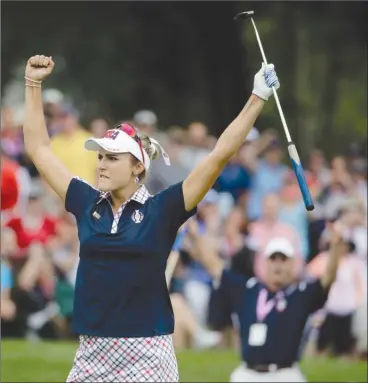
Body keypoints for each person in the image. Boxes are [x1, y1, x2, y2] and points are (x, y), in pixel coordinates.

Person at [22, 54, 279, 382]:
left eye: (112, 158)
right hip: (92, 351)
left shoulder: (163, 209)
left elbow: (219, 156)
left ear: (137, 167)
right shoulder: (86, 202)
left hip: (147, 351)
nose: (101, 164)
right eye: (100, 157)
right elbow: (40, 150)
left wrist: (257, 97)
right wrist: (32, 83)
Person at [186, 219, 343, 382]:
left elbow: (328, 278)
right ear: (265, 263)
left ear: (292, 265)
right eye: (273, 259)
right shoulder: (248, 290)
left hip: (285, 374)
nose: (278, 265)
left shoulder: (300, 294)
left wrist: (336, 245)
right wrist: (195, 234)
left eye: (283, 260)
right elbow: (214, 266)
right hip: (248, 373)